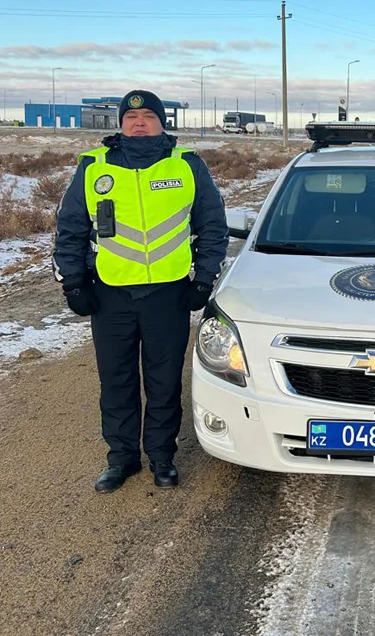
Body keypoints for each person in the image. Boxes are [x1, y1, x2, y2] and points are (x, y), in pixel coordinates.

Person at [53, 90, 228, 493]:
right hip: (110, 295)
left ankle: (162, 457)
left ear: (162, 121)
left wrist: (203, 280)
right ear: (120, 123)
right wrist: (74, 282)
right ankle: (122, 459)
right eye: (131, 117)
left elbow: (213, 229)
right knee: (116, 381)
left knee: (164, 381)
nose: (139, 122)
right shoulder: (92, 168)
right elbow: (70, 230)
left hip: (168, 295)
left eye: (148, 115)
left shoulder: (187, 166)